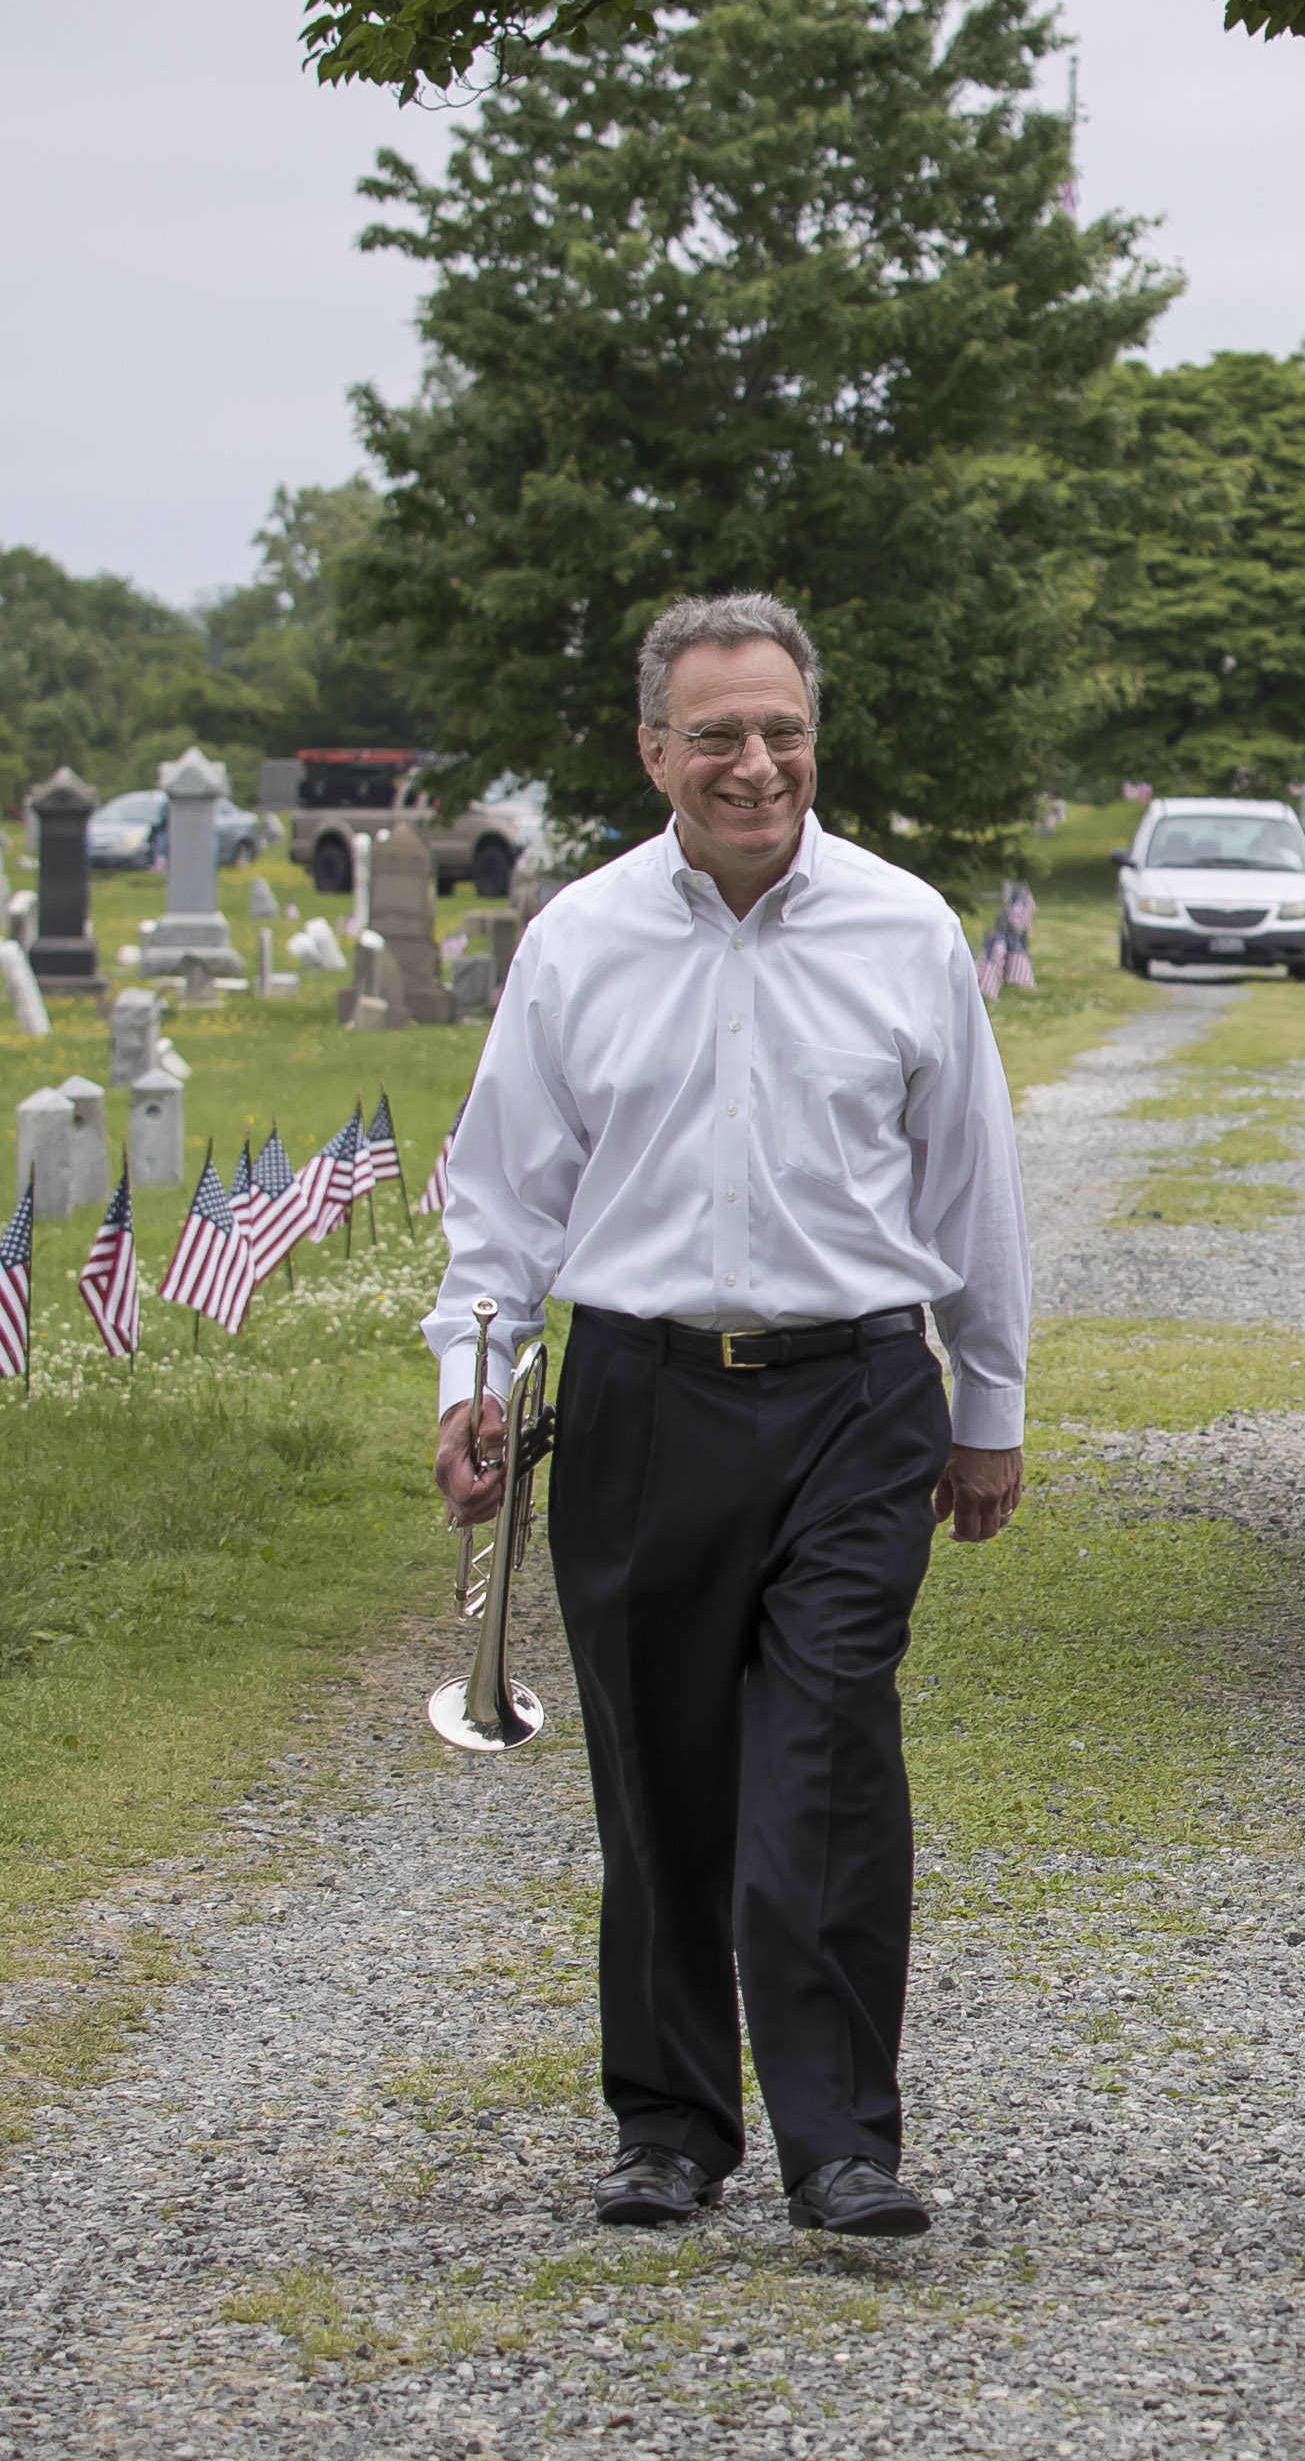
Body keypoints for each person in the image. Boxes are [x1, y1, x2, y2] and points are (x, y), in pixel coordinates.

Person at [428, 590, 1031, 2242]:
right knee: (661, 1782)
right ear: (654, 752)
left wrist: (991, 1402)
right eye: (716, 736)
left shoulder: (905, 929)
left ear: (811, 739)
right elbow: (500, 1198)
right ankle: (671, 2130)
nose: (754, 764)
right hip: (639, 1396)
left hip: (853, 1396)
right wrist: (472, 1385)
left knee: (825, 1754)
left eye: (780, 730)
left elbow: (972, 1187)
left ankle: (843, 2144)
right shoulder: (579, 942)